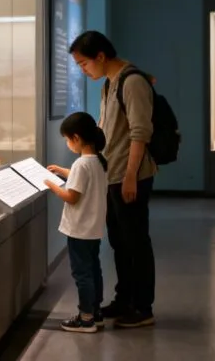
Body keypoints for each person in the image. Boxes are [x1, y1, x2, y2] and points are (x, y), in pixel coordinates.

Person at [65, 30, 157, 328]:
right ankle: (124, 298)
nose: (83, 69)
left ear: (101, 56)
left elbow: (140, 132)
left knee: (136, 242)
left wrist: (130, 176)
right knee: (120, 242)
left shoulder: (132, 82)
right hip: (113, 174)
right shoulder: (110, 83)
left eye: (84, 63)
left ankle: (142, 308)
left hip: (130, 175)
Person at [44, 112, 109, 333]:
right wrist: (61, 171)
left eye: (67, 139)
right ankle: (96, 313)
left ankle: (85, 318)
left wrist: (52, 185)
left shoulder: (81, 164)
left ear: (76, 138)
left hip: (79, 229)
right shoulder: (99, 161)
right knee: (94, 269)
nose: (67, 144)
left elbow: (72, 197)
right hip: (93, 228)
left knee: (82, 274)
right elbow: (81, 177)